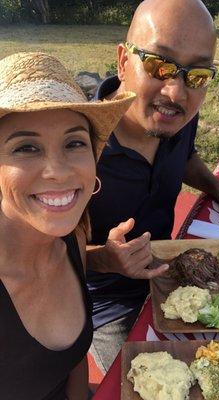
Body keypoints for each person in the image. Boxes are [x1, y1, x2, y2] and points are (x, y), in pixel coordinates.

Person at [87, 0, 219, 372]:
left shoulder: (175, 120)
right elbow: (34, 251)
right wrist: (103, 258)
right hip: (106, 303)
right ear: (123, 61)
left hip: (170, 270)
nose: (176, 93)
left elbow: (183, 158)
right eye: (159, 65)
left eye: (196, 76)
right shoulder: (78, 145)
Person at [0, 51, 134, 400]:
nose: (58, 171)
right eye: (26, 148)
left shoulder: (72, 240)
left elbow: (73, 363)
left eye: (74, 142)